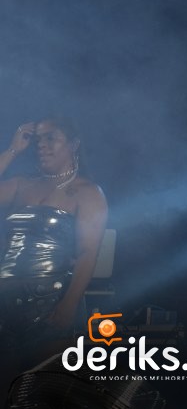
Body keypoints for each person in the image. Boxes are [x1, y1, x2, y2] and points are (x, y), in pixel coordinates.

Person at [0, 117, 108, 381]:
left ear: (73, 144)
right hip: (5, 302)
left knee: (44, 389)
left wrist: (69, 304)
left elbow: (88, 252)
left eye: (51, 138)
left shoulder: (87, 192)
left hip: (50, 301)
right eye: (37, 139)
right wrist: (13, 150)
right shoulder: (21, 183)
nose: (41, 145)